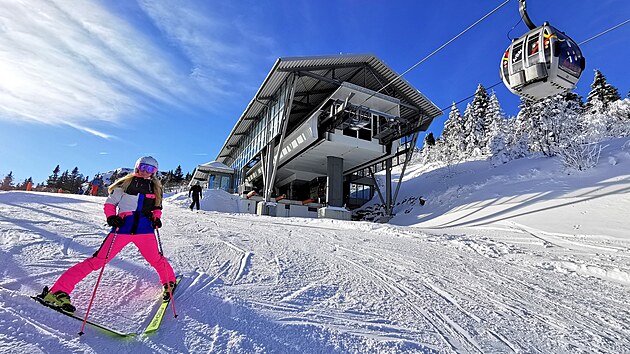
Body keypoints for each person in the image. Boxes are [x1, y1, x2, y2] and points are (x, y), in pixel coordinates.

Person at [39, 156, 177, 312]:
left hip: (145, 230)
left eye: (150, 169)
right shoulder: (125, 184)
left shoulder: (155, 188)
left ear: (154, 172)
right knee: (97, 261)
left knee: (156, 259)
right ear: (137, 167)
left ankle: (169, 282)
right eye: (143, 167)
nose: (146, 172)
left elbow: (157, 208)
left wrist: (156, 218)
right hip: (123, 229)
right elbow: (110, 203)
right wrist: (111, 217)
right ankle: (58, 291)